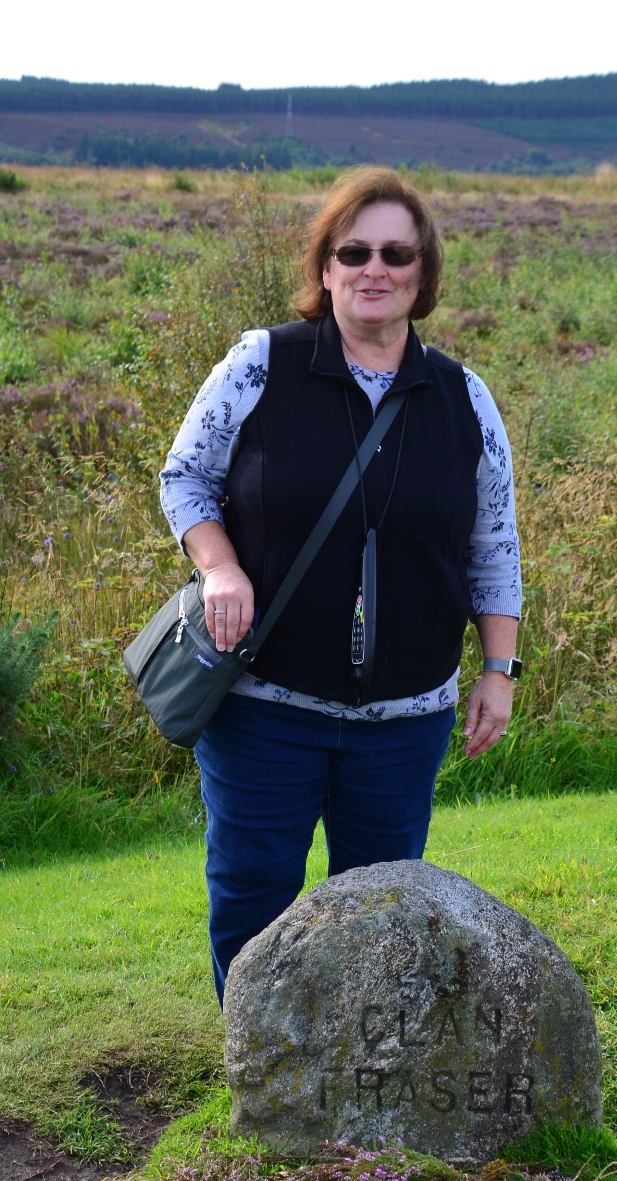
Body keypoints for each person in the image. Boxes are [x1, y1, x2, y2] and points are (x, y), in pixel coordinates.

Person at [160, 167, 521, 1005]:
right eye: (353, 251)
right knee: (253, 898)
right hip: (262, 707)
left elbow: (493, 544)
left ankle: (361, 1078)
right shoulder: (262, 363)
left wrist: (497, 672)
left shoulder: (463, 398)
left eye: (397, 253)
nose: (375, 268)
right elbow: (184, 480)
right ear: (324, 269)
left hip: (403, 721)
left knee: (383, 911)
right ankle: (261, 1073)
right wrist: (218, 566)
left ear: (423, 275)